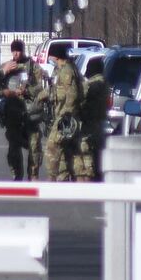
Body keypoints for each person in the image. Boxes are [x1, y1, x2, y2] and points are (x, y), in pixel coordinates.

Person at [0, 40, 46, 181]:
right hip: (13, 112)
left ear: (22, 51)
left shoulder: (32, 67)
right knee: (14, 146)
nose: (15, 53)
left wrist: (27, 91)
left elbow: (40, 86)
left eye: (18, 50)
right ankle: (17, 176)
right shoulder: (7, 66)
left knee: (34, 145)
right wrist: (3, 72)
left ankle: (33, 176)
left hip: (30, 111)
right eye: (13, 51)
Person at [42, 45, 83, 182]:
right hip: (61, 114)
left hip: (65, 117)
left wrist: (66, 117)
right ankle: (63, 177)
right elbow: (55, 91)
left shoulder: (67, 71)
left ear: (56, 56)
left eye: (51, 56)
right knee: (65, 150)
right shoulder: (60, 70)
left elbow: (72, 95)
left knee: (52, 147)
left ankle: (52, 178)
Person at [75, 68, 112, 182]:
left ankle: (88, 176)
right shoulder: (105, 83)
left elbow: (81, 97)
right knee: (96, 150)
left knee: (85, 150)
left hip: (90, 122)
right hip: (99, 122)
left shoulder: (93, 85)